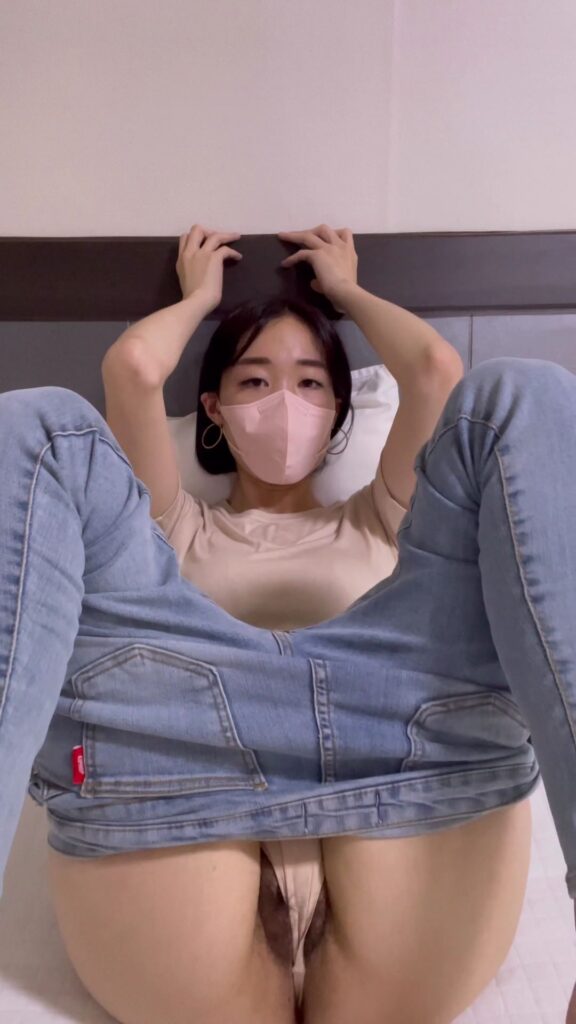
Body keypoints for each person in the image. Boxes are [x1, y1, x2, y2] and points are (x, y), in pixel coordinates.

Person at [0, 223, 574, 1024]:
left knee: (524, 396)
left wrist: (346, 291)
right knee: (37, 429)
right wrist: (200, 298)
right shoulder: (175, 525)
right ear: (214, 407)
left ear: (339, 410)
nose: (285, 402)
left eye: (310, 383)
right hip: (180, 766)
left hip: (405, 757)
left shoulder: (383, 516)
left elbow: (435, 370)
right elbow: (131, 368)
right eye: (255, 380)